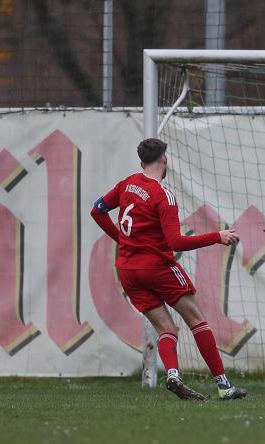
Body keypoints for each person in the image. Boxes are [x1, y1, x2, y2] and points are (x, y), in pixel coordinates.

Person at [91, 138, 247, 401]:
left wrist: (121, 239)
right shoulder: (164, 196)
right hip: (157, 267)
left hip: (129, 270)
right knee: (196, 319)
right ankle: (223, 385)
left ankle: (173, 374)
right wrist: (216, 236)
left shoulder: (127, 184)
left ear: (142, 162)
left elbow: (97, 211)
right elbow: (175, 242)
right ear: (164, 159)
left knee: (167, 329)